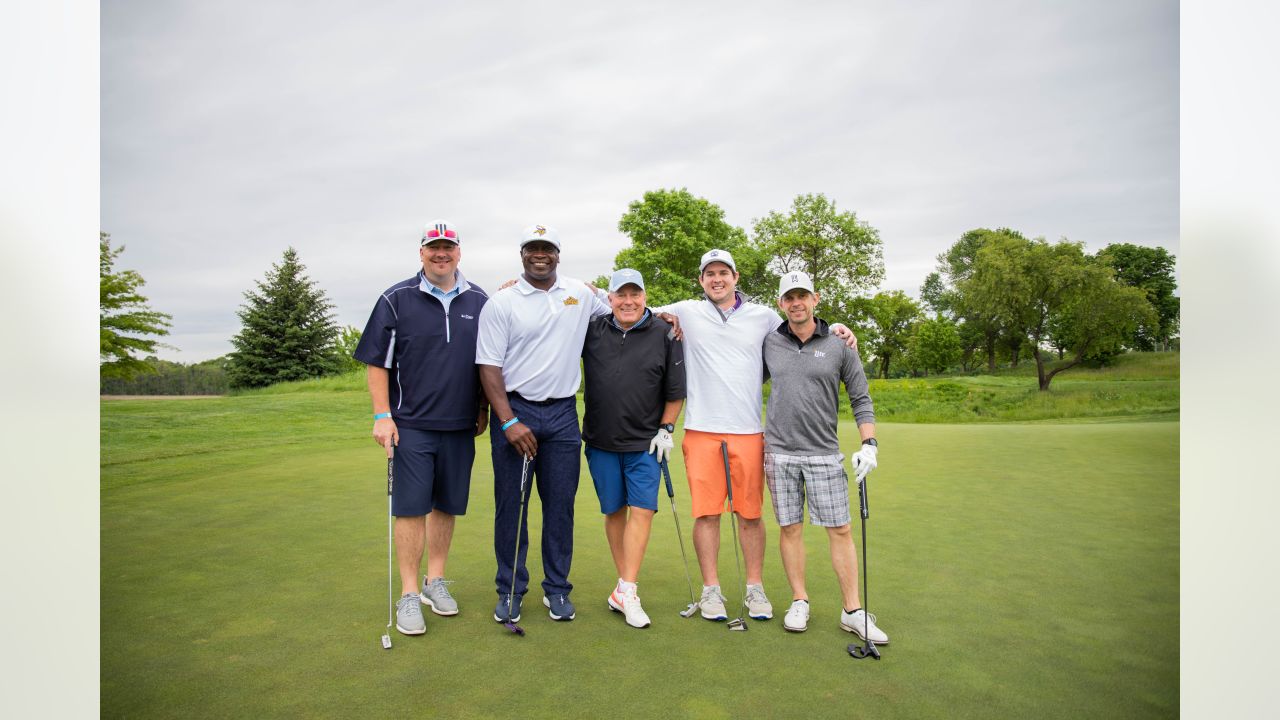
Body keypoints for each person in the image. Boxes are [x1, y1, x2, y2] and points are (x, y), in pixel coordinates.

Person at [652, 249, 858, 623]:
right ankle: (711, 590)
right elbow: (624, 306)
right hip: (701, 429)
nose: (717, 279)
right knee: (707, 514)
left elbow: (803, 327)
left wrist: (841, 327)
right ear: (701, 280)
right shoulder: (685, 310)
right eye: (709, 273)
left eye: (723, 273)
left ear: (736, 277)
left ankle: (754, 588)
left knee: (750, 515)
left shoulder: (763, 316)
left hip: (749, 431)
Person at [353, 219, 489, 637]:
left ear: (459, 253)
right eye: (434, 247)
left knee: (446, 505)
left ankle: (435, 581)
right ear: (422, 253)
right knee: (412, 507)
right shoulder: (396, 299)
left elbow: (488, 358)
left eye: (448, 247)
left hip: (460, 425)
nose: (441, 253)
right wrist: (382, 415)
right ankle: (409, 594)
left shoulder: (480, 300)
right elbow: (378, 362)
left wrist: (482, 407)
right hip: (410, 424)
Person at [476, 224, 611, 624]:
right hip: (515, 411)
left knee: (560, 507)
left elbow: (625, 309)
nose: (540, 255)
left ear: (557, 253)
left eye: (547, 249)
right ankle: (511, 590)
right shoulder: (502, 302)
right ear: (522, 255)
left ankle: (557, 590)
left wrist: (668, 316)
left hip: (563, 414)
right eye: (533, 249)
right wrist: (508, 421)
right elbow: (488, 365)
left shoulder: (580, 293)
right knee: (511, 507)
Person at [762, 270, 889, 644]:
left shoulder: (839, 344)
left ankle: (852, 611)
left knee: (840, 529)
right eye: (789, 297)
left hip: (823, 453)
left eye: (803, 295)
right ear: (781, 303)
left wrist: (870, 444)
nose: (796, 302)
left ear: (815, 299)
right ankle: (799, 600)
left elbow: (861, 398)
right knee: (790, 528)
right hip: (779, 454)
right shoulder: (769, 342)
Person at [581, 268, 686, 629]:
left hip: (645, 442)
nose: (628, 301)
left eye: (635, 294)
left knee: (642, 510)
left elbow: (675, 391)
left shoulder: (666, 332)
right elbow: (568, 292)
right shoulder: (592, 329)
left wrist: (667, 429)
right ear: (608, 299)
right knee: (614, 512)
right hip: (600, 440)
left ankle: (627, 588)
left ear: (644, 296)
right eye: (620, 295)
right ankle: (623, 588)